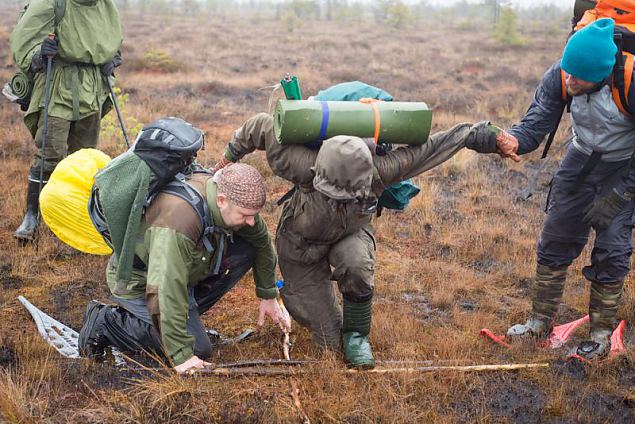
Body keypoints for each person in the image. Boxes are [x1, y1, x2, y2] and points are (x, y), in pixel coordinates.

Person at [212, 112, 513, 368]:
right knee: (330, 345)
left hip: (349, 235)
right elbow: (261, 125)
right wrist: (225, 161)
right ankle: (324, 320)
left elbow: (439, 145)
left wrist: (488, 137)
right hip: (300, 246)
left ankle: (357, 335)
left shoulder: (382, 170)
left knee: (357, 265)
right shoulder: (297, 162)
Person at [500, 19, 635, 360]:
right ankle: (539, 322)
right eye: (567, 72)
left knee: (612, 248)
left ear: (602, 74)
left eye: (578, 77)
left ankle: (601, 335)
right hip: (579, 160)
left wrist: (620, 196)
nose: (569, 80)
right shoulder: (563, 73)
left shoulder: (630, 81)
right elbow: (538, 120)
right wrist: (515, 138)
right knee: (555, 237)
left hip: (624, 168)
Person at [78, 163, 291, 374]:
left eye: (254, 215)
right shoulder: (179, 221)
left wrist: (267, 294)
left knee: (247, 247)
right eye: (245, 215)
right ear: (222, 200)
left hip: (182, 271)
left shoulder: (227, 198)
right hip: (139, 282)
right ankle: (106, 322)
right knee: (198, 347)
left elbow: (261, 241)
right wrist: (181, 356)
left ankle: (188, 319)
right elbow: (163, 287)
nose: (252, 222)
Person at [9, 0, 123, 241]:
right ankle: (32, 216)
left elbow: (112, 39)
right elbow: (24, 40)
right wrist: (40, 53)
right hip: (57, 83)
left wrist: (113, 57)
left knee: (84, 156)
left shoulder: (105, 6)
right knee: (50, 152)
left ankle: (77, 215)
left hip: (91, 86)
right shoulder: (52, 3)